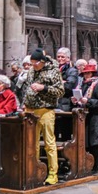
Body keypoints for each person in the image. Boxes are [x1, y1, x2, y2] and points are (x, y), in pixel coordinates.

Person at [22, 48, 64, 185]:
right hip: (30, 110)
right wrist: (24, 103)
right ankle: (33, 170)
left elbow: (60, 91)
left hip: (45, 110)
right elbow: (27, 88)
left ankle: (53, 174)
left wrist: (43, 88)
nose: (33, 65)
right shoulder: (31, 71)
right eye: (31, 62)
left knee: (49, 143)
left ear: (43, 62)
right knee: (31, 144)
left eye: (35, 63)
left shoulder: (54, 71)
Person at [71, 64, 98, 170]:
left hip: (95, 116)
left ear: (93, 73)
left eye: (88, 73)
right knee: (85, 141)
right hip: (84, 117)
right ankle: (86, 164)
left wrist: (88, 101)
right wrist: (75, 100)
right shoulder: (81, 85)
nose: (86, 75)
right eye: (85, 73)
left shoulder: (97, 85)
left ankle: (95, 165)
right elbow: (80, 98)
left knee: (94, 142)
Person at [56, 47, 78, 112]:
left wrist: (55, 82)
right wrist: (62, 82)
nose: (60, 59)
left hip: (65, 104)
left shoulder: (72, 71)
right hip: (54, 103)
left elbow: (68, 86)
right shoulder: (54, 69)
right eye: (58, 57)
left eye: (62, 57)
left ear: (68, 58)